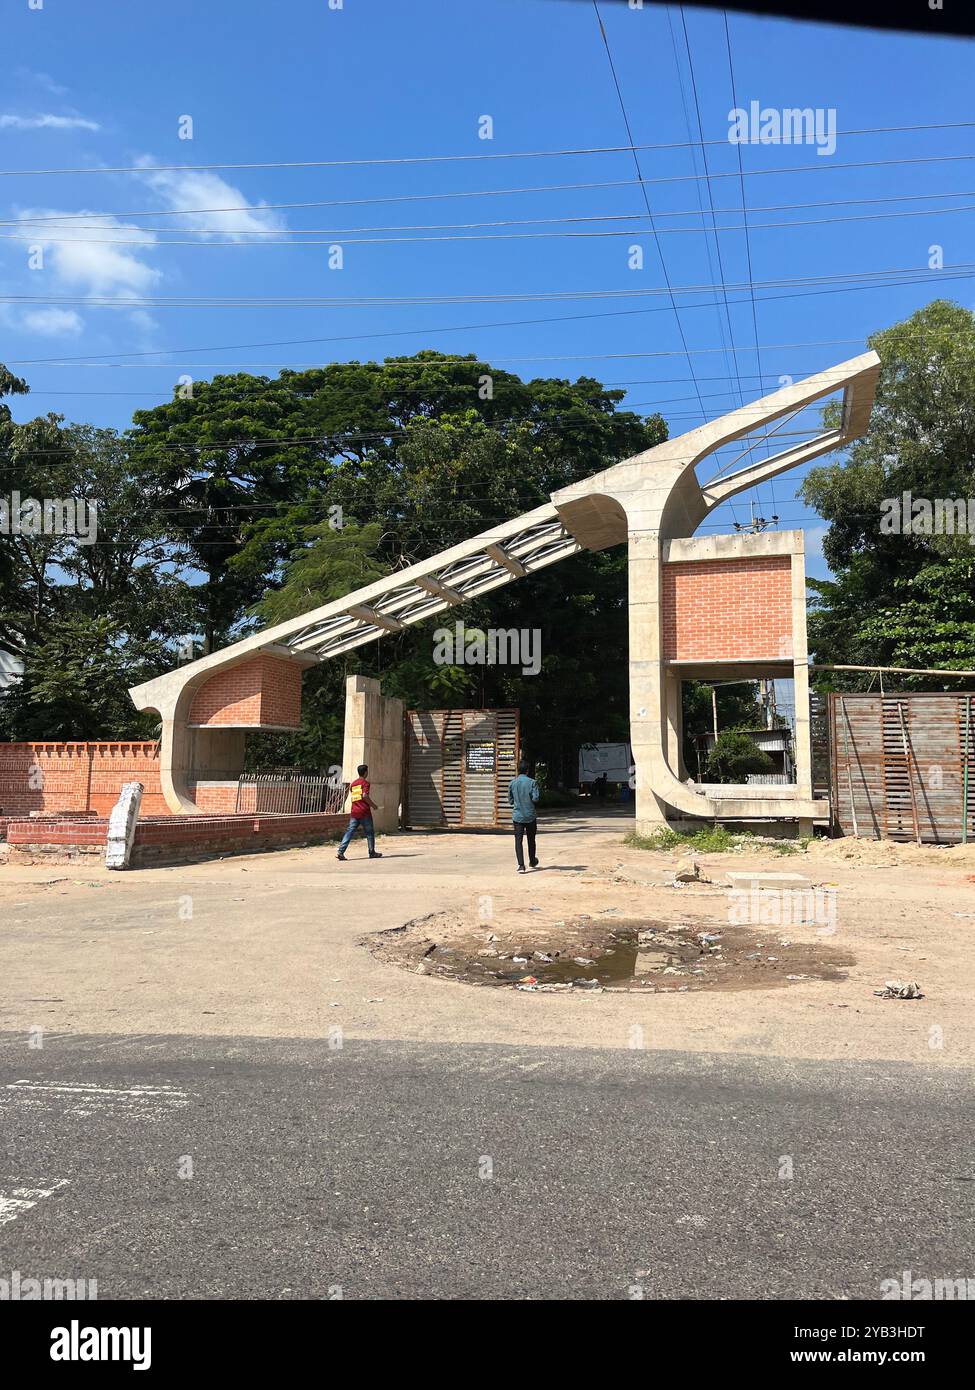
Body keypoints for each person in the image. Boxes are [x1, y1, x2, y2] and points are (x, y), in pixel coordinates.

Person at [337, 764, 383, 861]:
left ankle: (341, 851)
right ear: (366, 772)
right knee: (369, 833)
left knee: (350, 832)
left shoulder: (353, 784)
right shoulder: (365, 783)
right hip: (364, 812)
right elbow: (365, 795)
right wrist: (373, 805)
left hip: (354, 812)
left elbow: (355, 796)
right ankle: (372, 852)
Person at [508, 758, 540, 873]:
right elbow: (536, 799)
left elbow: (510, 801)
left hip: (517, 816)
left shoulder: (512, 783)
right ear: (527, 770)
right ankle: (532, 861)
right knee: (531, 839)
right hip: (530, 816)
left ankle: (521, 865)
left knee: (518, 840)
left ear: (518, 770)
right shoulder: (532, 783)